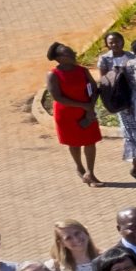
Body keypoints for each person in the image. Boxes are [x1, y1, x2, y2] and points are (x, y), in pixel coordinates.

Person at [97, 29, 136, 181]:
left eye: (117, 41)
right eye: (111, 42)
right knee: (131, 136)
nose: (114, 44)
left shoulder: (131, 57)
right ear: (107, 44)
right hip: (122, 103)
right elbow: (105, 83)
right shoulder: (104, 59)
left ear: (123, 41)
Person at [42, 42, 105, 187]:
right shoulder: (53, 74)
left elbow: (94, 89)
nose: (74, 55)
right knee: (74, 143)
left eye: (73, 52)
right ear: (59, 58)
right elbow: (58, 97)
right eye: (69, 54)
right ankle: (79, 167)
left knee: (91, 141)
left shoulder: (82, 70)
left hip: (86, 110)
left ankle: (90, 173)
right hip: (67, 114)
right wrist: (85, 106)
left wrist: (90, 107)